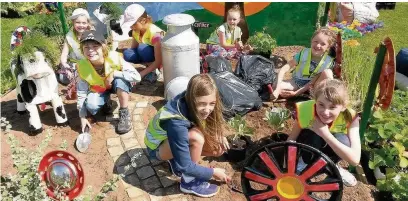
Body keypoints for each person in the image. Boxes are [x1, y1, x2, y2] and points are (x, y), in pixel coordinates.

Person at [144, 74, 231, 197]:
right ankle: (189, 182)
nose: (208, 109)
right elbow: (185, 166)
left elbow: (203, 123)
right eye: (202, 104)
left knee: (216, 147)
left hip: (169, 139)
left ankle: (175, 158)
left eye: (212, 103)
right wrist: (212, 172)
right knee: (197, 138)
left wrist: (219, 136)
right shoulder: (176, 123)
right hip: (156, 149)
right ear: (192, 98)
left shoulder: (188, 99)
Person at [288, 79, 361, 187]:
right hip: (307, 146)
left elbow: (355, 160)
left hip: (330, 147)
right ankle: (301, 165)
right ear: (315, 100)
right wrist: (288, 166)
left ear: (343, 107)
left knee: (344, 140)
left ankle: (331, 165)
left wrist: (325, 133)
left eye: (332, 107)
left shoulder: (350, 117)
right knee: (314, 135)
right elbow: (291, 139)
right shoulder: (306, 109)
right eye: (321, 105)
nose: (325, 112)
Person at [76, 30, 141, 134]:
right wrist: (82, 117)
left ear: (103, 47)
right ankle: (106, 102)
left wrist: (115, 74)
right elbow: (81, 92)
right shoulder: (82, 66)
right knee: (91, 106)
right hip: (100, 89)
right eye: (86, 47)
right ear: (82, 50)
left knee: (121, 81)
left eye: (95, 46)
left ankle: (124, 113)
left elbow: (137, 77)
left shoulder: (114, 57)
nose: (91, 50)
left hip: (116, 85)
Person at [272, 28, 336, 101]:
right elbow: (284, 69)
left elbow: (311, 83)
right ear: (311, 40)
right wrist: (277, 89)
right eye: (315, 41)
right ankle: (301, 95)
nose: (318, 45)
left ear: (328, 47)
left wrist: (296, 93)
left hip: (313, 85)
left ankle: (329, 99)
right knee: (274, 85)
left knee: (328, 73)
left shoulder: (328, 61)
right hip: (297, 82)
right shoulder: (303, 54)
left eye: (323, 44)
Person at [120, 4, 164, 83]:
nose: (131, 27)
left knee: (142, 48)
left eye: (133, 24)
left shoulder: (156, 34)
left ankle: (155, 71)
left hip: (162, 58)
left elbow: (159, 60)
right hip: (149, 54)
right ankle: (150, 66)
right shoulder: (136, 31)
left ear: (143, 20)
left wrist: (141, 74)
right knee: (127, 53)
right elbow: (133, 48)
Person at [58, 8, 94, 98]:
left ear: (88, 23)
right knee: (63, 77)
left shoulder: (92, 34)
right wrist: (65, 66)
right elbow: (64, 55)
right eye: (78, 22)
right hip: (76, 63)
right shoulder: (69, 36)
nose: (81, 25)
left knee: (86, 77)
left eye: (84, 23)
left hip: (91, 62)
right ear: (73, 23)